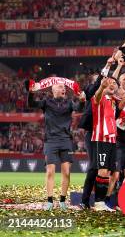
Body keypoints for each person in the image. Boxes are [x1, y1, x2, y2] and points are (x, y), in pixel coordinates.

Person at [29, 80, 85, 210]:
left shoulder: (70, 102)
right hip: (51, 141)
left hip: (66, 140)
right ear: (53, 90)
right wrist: (31, 93)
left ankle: (62, 201)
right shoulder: (46, 102)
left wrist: (82, 100)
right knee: (50, 172)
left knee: (66, 172)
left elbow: (79, 108)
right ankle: (49, 201)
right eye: (60, 87)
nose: (63, 88)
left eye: (64, 87)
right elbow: (31, 103)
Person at [91, 77, 119, 211]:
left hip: (112, 139)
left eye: (114, 83)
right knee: (102, 170)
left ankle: (102, 202)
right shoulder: (100, 98)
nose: (112, 85)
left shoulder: (113, 101)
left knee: (108, 172)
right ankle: (98, 202)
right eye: (109, 84)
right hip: (101, 138)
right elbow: (96, 97)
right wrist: (102, 87)